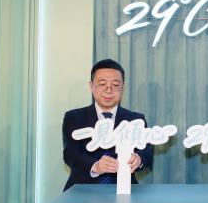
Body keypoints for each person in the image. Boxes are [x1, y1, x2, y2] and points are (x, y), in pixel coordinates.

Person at [62, 59, 153, 191]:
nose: (109, 90)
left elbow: (147, 152)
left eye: (115, 84)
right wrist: (95, 166)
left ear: (123, 87)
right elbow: (70, 153)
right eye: (102, 84)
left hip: (125, 189)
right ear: (91, 86)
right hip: (82, 189)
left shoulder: (135, 119)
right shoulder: (74, 117)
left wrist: (139, 159)